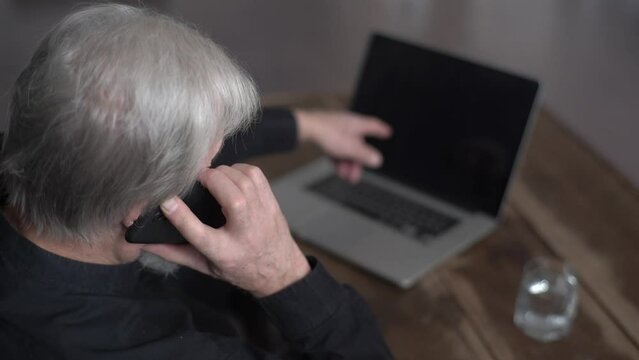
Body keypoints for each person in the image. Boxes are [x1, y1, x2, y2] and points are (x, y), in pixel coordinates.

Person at [0, 4, 394, 359]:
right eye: (205, 165)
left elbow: (122, 134)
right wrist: (281, 272)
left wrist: (306, 125)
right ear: (143, 208)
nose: (215, 169)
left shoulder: (36, 141)